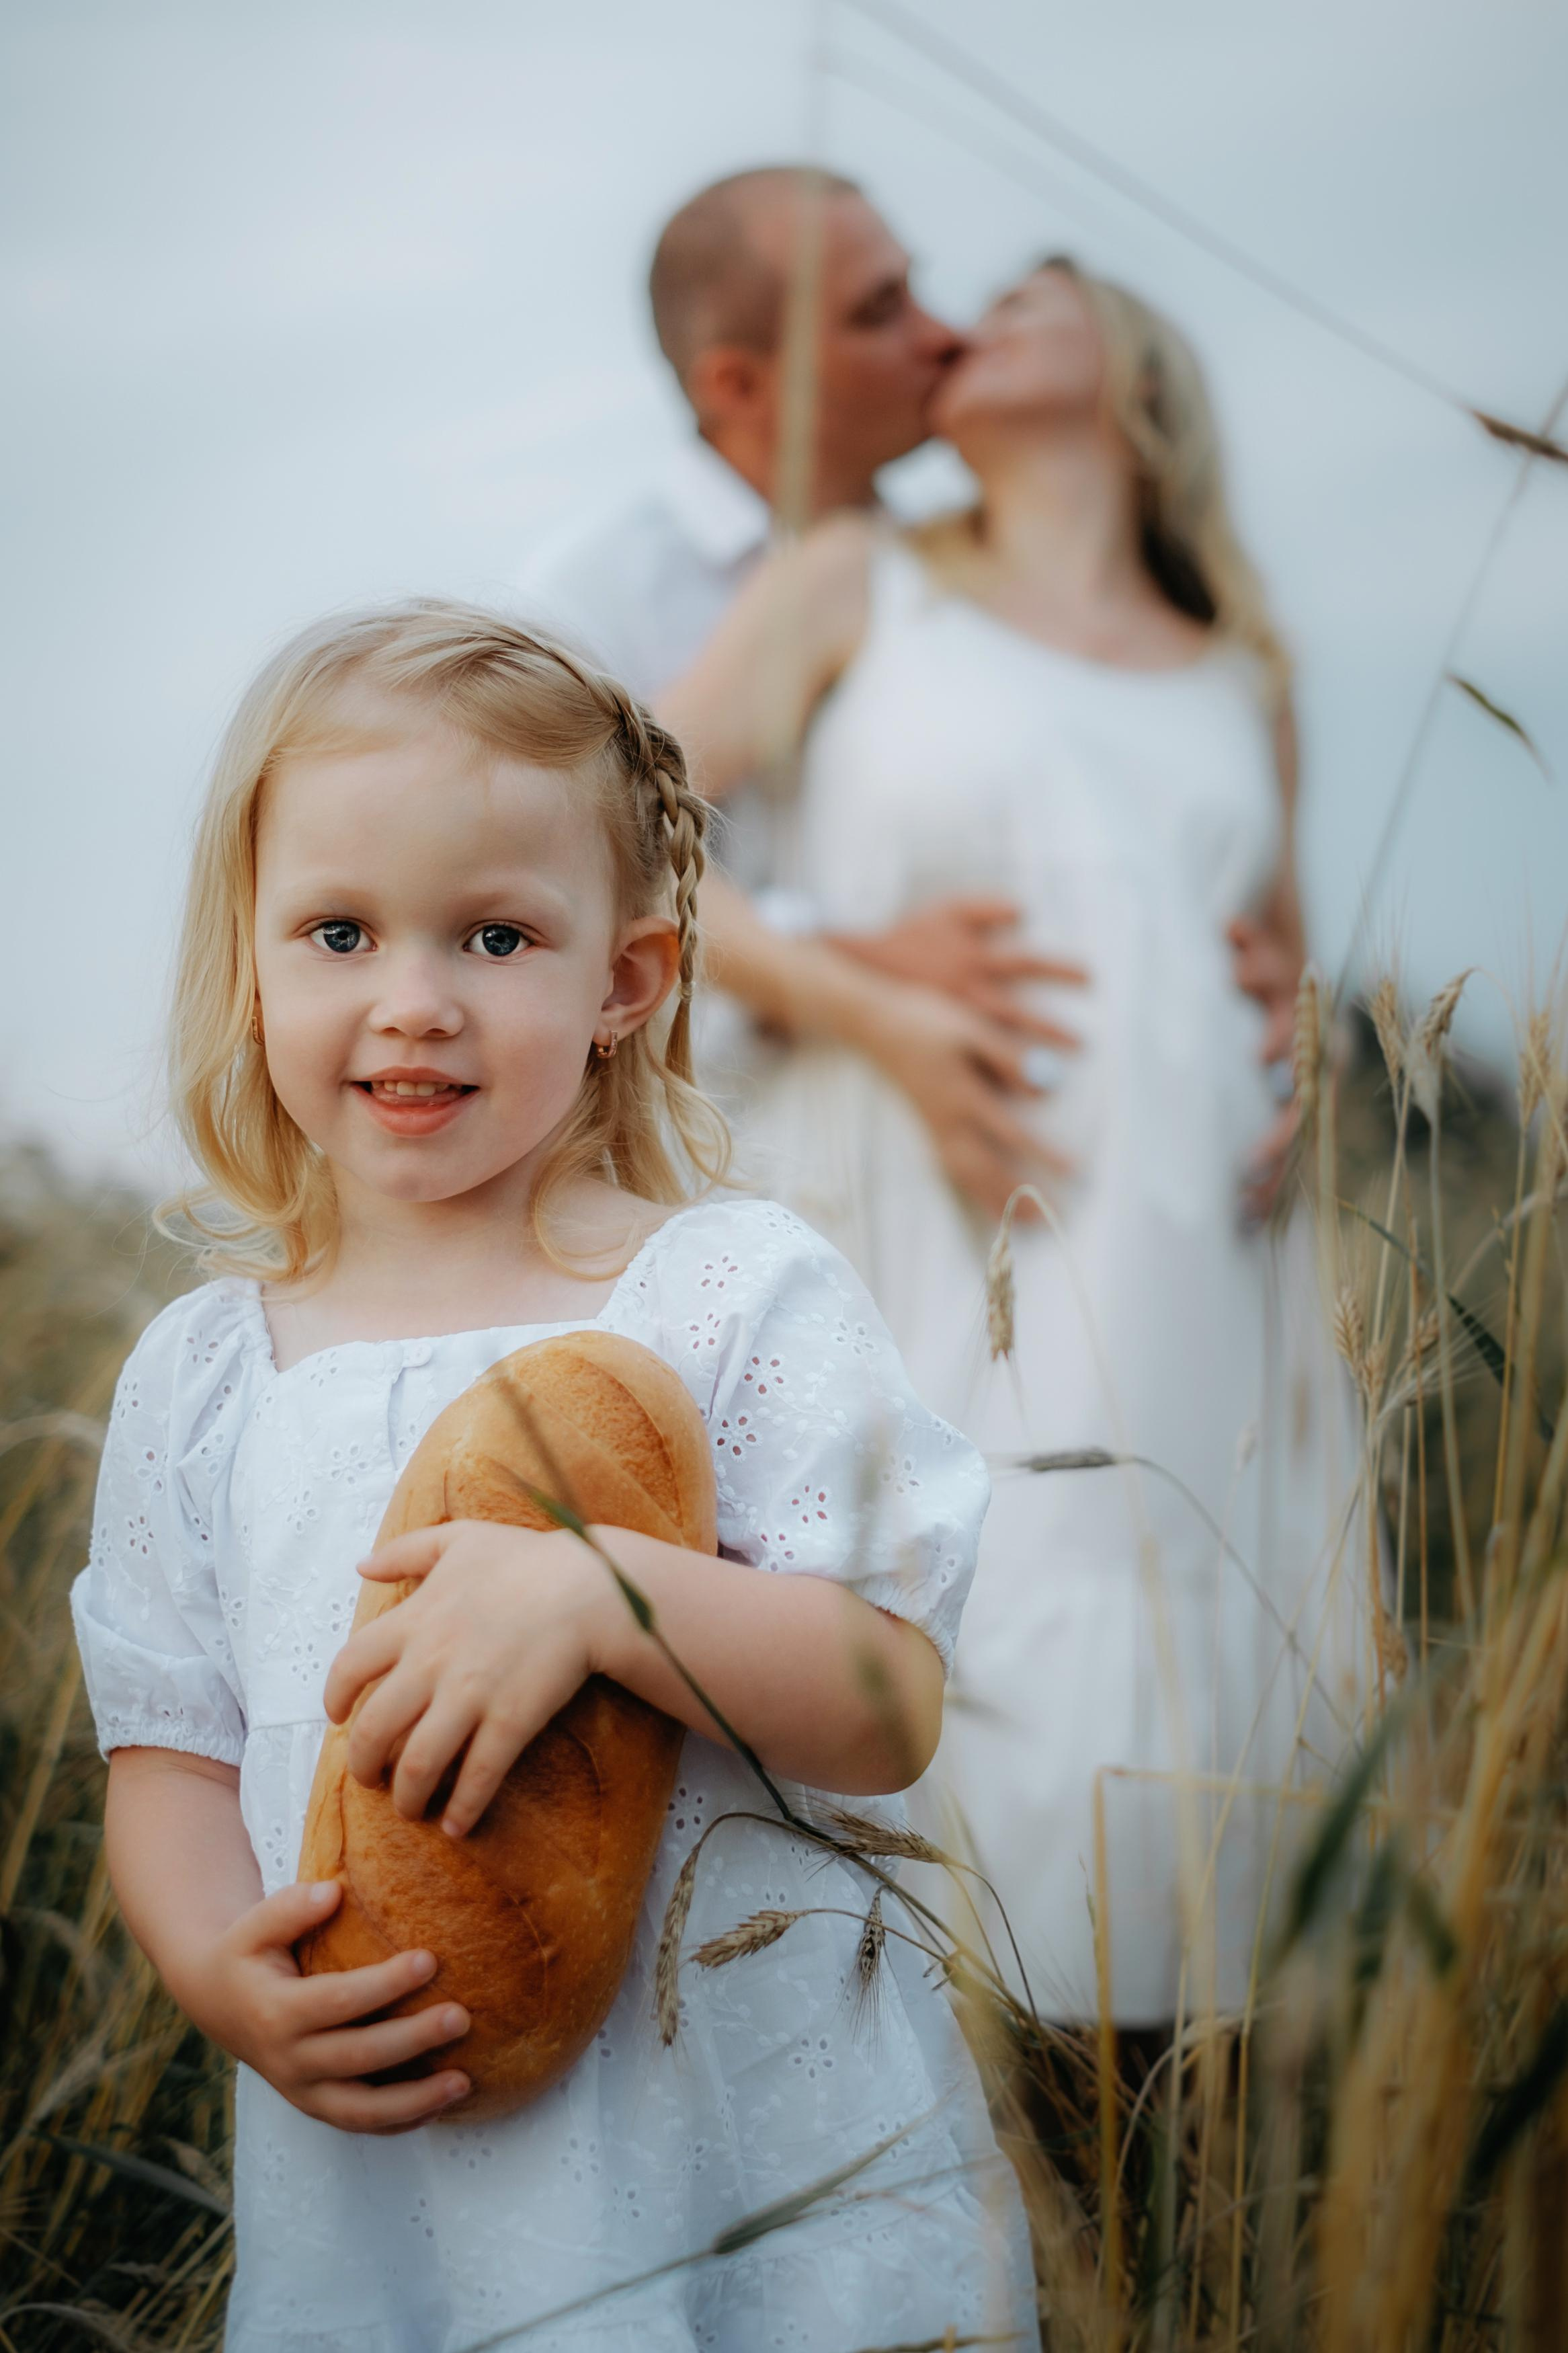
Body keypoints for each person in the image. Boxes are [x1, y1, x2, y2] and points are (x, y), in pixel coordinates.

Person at [70, 602, 1038, 2351]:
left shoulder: (729, 1296)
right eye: (341, 931)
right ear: (253, 961)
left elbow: (886, 1701)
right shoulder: (205, 1378)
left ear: (625, 983)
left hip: (743, 2131)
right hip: (400, 2155)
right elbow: (170, 1754)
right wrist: (221, 1970)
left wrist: (608, 1598)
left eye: (497, 934)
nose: (414, 1000)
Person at [655, 260, 1365, 2026]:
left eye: (1035, 291)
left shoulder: (1244, 668)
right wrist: (865, 996)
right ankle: (942, 2049)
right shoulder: (857, 581)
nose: (976, 310)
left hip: (1203, 1250)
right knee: (977, 1581)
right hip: (937, 1199)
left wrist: (1310, 1056)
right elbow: (621, 827)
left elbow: (1278, 952)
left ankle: (1177, 2093)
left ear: (1136, 376)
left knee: (1193, 1612)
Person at [518, 164, 1087, 1224]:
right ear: (737, 386)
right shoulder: (585, 602)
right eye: (879, 311)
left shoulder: (965, 576)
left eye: (916, 288)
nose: (942, 336)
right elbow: (550, 888)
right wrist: (852, 956)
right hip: (726, 1185)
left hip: (1017, 1142)